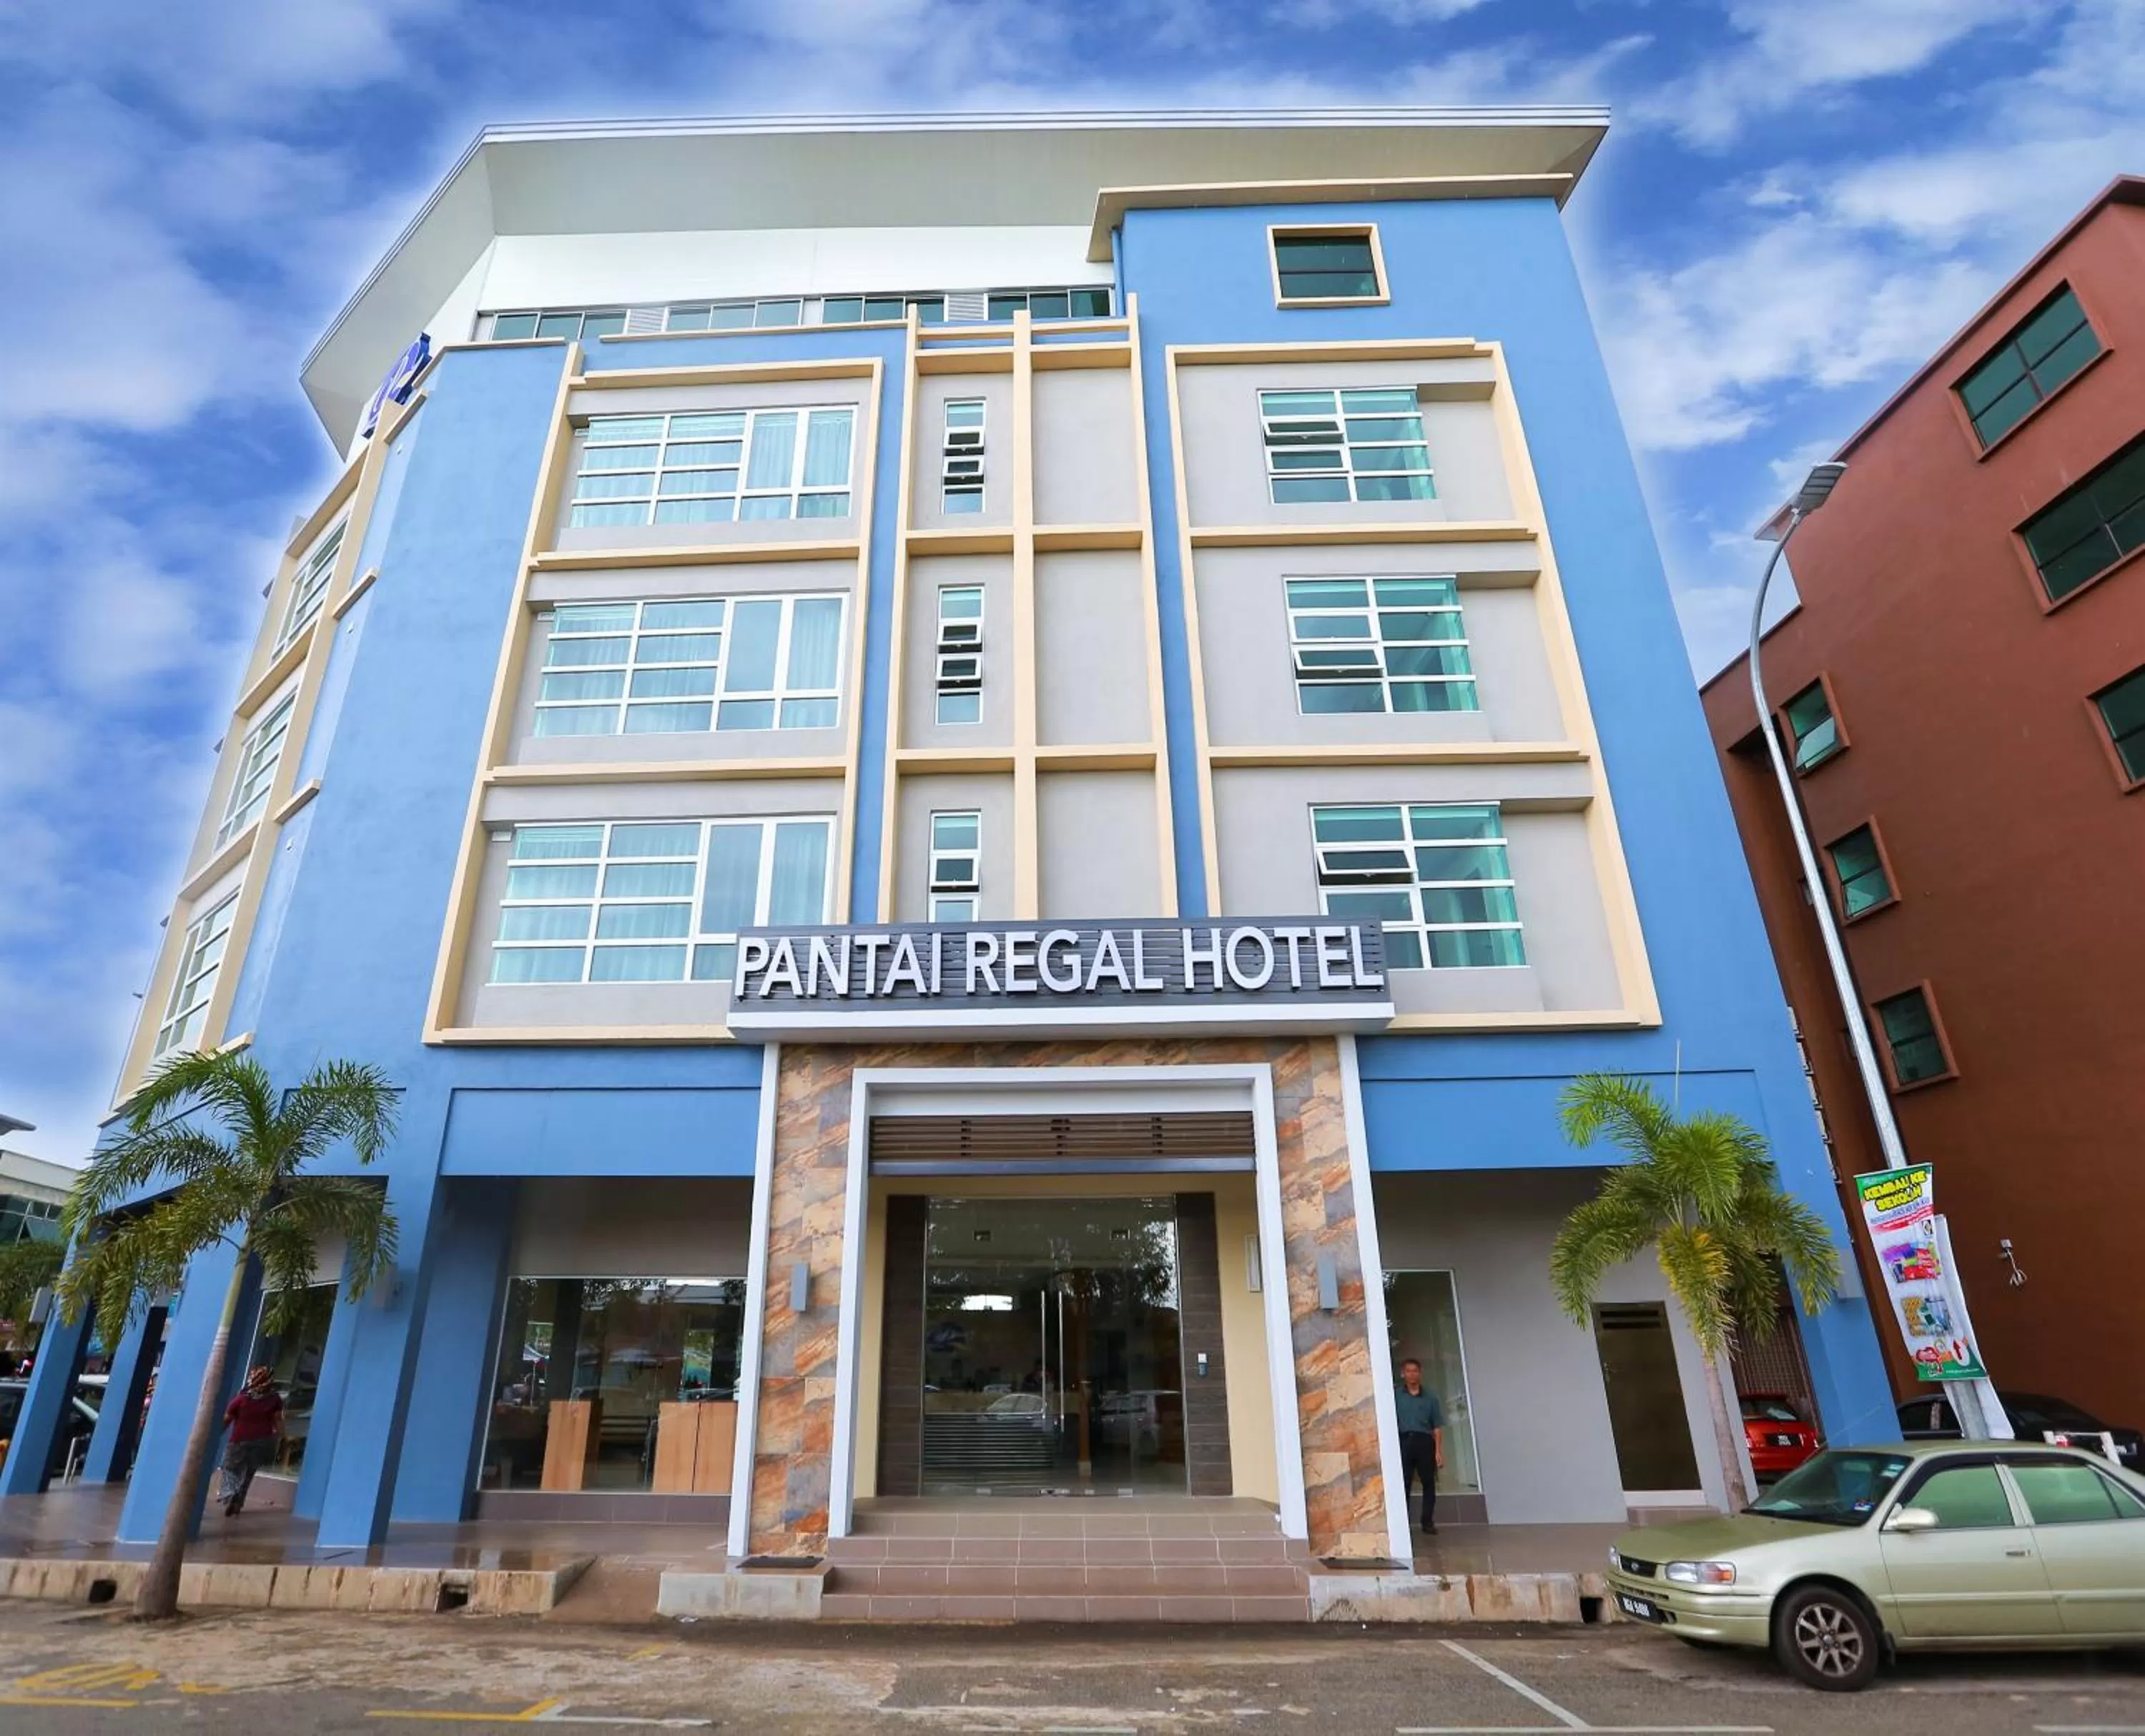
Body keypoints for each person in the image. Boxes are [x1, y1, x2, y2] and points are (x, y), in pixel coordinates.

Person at [220, 1365, 285, 1516]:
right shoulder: (274, 1399)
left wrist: (216, 1433)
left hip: (239, 1441)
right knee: (248, 1473)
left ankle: (231, 1495)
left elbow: (227, 1419)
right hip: (262, 1442)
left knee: (230, 1468)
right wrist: (282, 1437)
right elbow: (278, 1420)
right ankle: (238, 1502)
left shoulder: (242, 1398)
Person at [1394, 1357, 1444, 1537]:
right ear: (1403, 1374)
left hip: (1424, 1442)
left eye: (1415, 1371)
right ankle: (1403, 1523)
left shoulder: (1430, 1398)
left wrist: (1438, 1451)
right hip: (1404, 1441)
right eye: (1408, 1371)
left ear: (1420, 1374)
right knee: (1404, 1483)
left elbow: (1437, 1427)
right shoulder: (1396, 1396)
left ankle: (1427, 1522)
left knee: (1428, 1482)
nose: (1412, 1374)